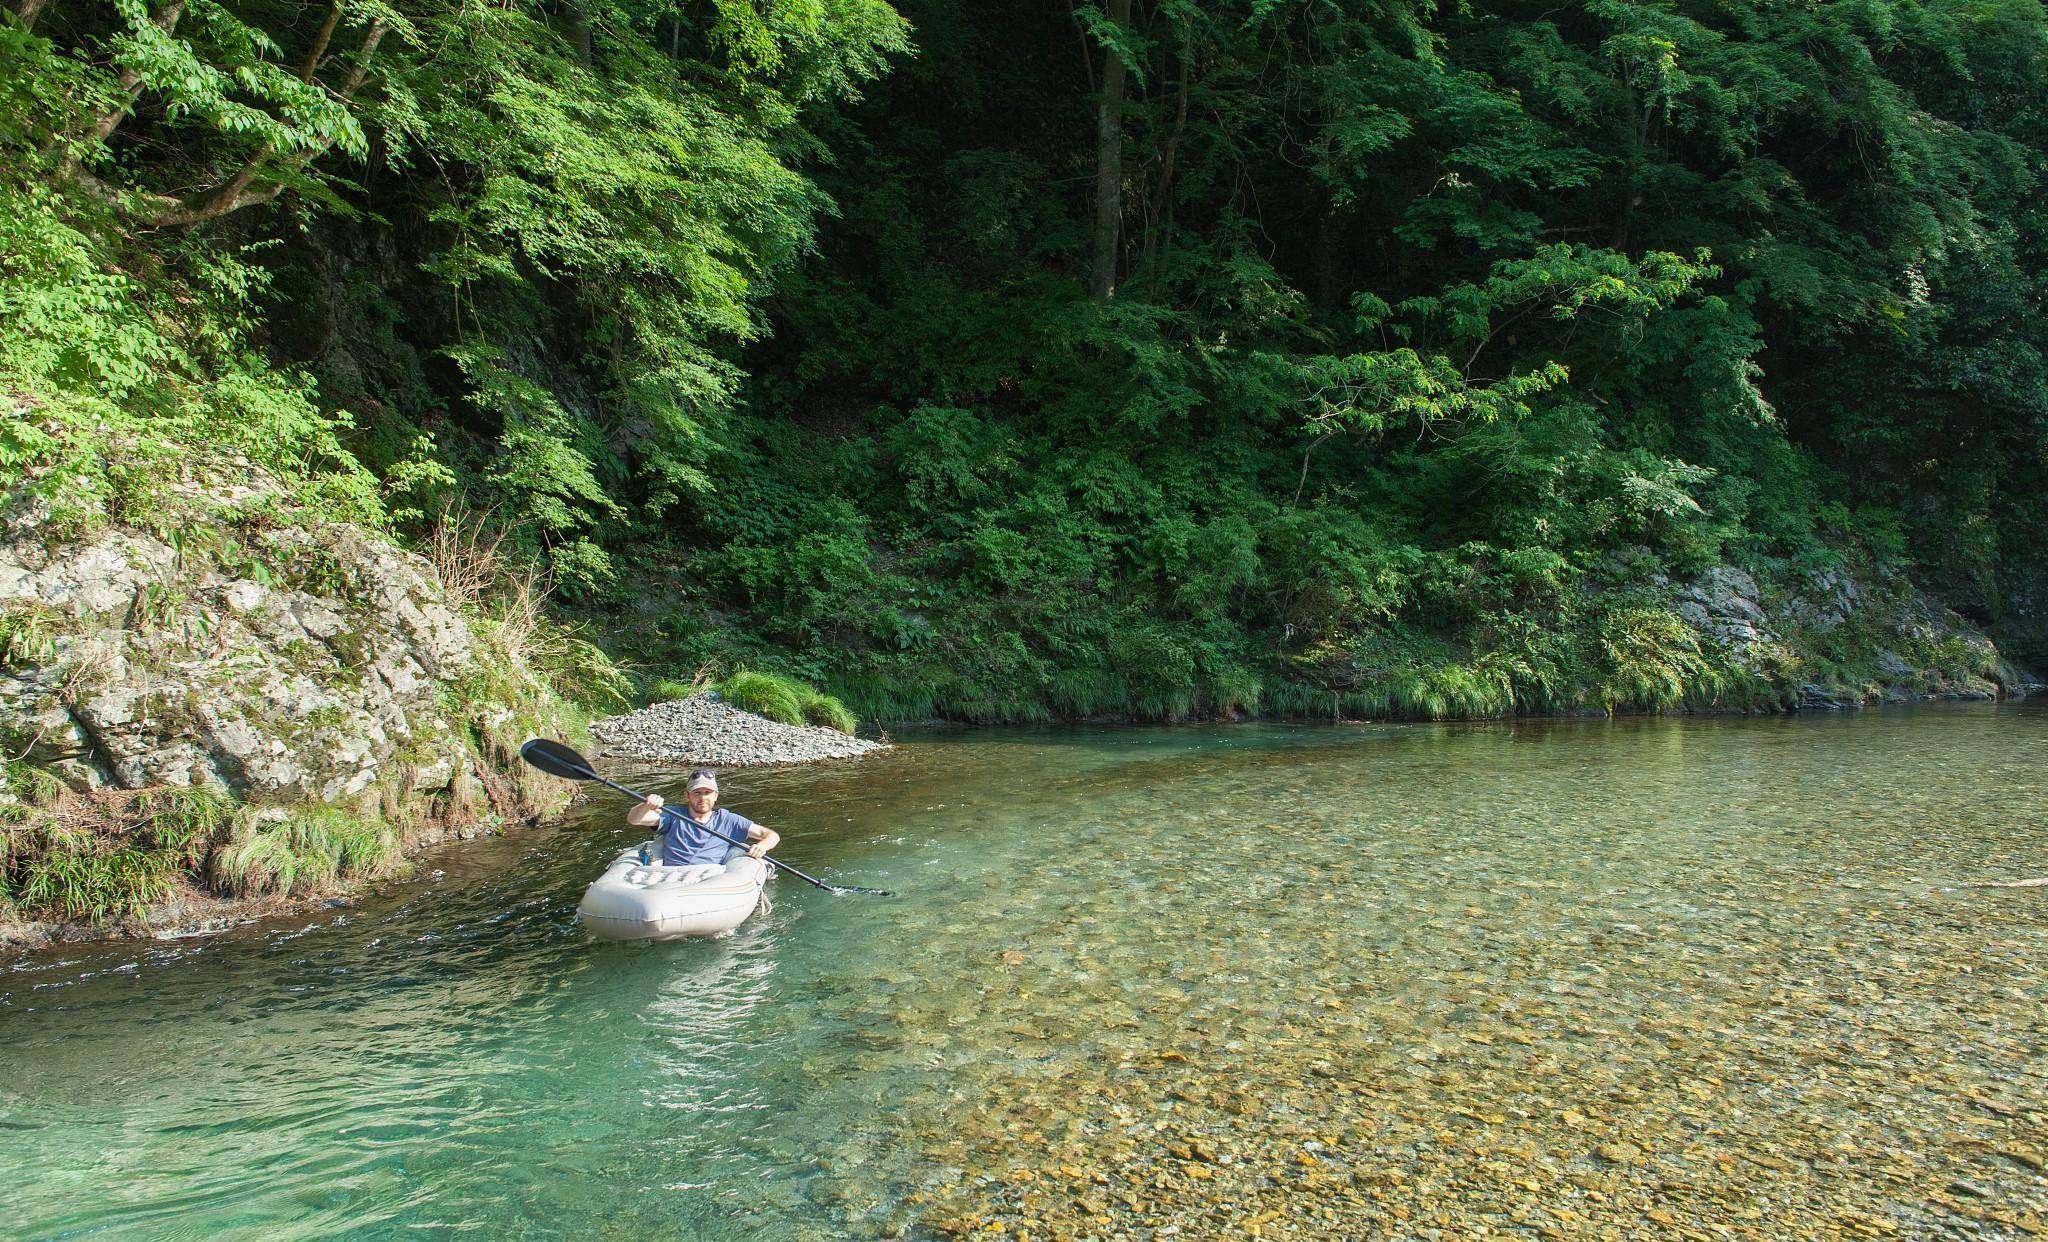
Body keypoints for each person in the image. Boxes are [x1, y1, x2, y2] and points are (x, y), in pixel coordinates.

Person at [625, 769, 779, 867]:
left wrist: (762, 846)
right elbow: (634, 819)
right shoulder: (673, 815)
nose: (703, 798)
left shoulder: (728, 820)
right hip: (671, 877)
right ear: (687, 795)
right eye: (697, 793)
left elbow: (771, 835)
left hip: (708, 879)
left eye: (707, 793)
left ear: (716, 795)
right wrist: (645, 806)